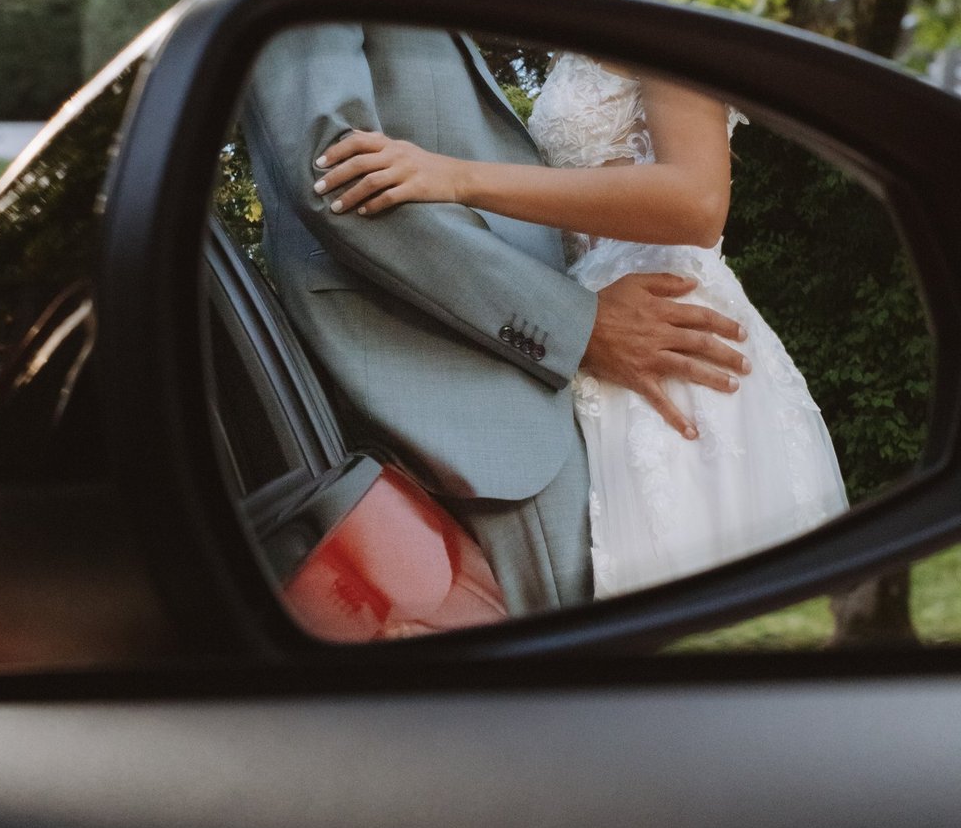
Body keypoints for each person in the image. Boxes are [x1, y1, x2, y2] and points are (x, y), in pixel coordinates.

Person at [241, 26, 750, 614]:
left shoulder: (652, 11)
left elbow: (698, 200)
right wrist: (577, 325)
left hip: (656, 345)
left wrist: (574, 322)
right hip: (495, 375)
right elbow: (335, 171)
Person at [313, 50, 847, 597]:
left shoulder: (657, 14)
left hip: (671, 332)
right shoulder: (579, 40)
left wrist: (456, 179)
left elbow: (698, 200)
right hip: (604, 332)